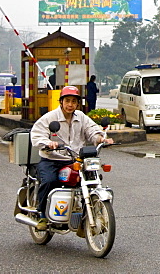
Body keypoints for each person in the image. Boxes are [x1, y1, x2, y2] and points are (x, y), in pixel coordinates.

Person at [29, 85, 113, 228]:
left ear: (77, 103)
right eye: (67, 101)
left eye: (74, 101)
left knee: (91, 181)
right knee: (49, 181)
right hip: (52, 159)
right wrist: (48, 143)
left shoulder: (80, 117)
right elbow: (37, 134)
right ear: (61, 101)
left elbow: (91, 130)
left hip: (75, 160)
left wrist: (101, 139)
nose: (70, 104)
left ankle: (84, 219)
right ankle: (42, 214)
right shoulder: (50, 118)